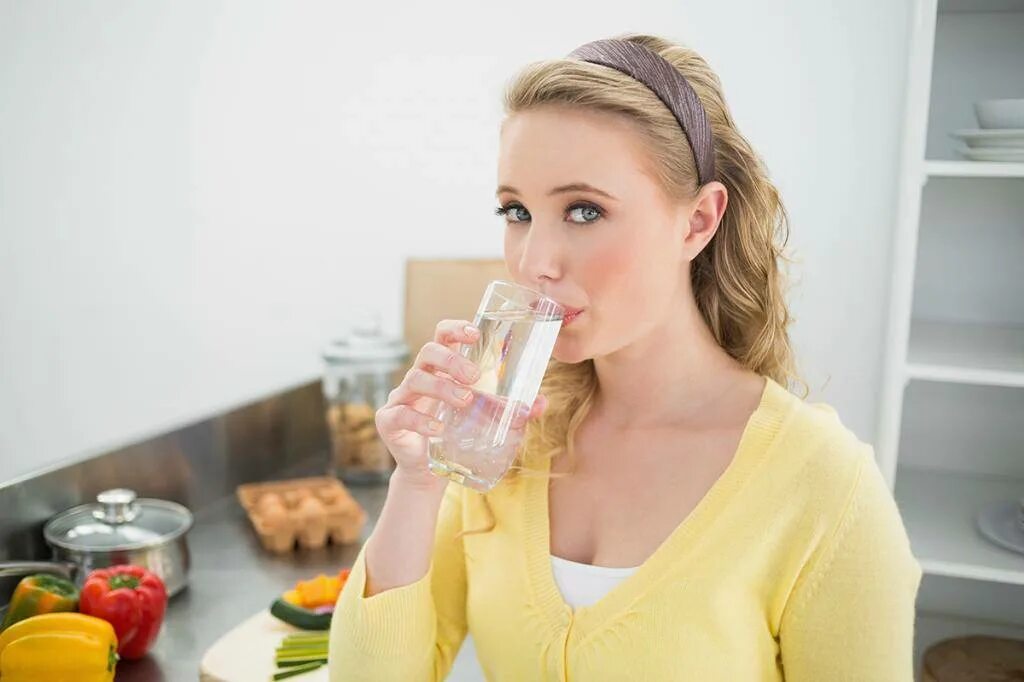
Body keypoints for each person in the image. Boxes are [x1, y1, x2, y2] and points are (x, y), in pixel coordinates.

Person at [329, 33, 922, 681]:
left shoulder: (826, 490)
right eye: (517, 210)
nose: (535, 262)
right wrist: (416, 485)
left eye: (584, 210)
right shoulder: (502, 441)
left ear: (697, 221)